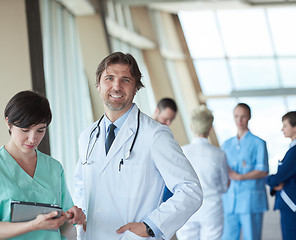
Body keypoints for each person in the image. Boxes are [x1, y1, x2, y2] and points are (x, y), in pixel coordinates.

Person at [73, 52, 202, 240]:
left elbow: (191, 189)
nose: (117, 86)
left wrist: (151, 226)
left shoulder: (156, 135)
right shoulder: (88, 136)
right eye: (109, 78)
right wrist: (82, 215)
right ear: (99, 85)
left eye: (125, 80)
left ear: (135, 88)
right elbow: (80, 184)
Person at [0, 90, 85, 240]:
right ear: (9, 123)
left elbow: (63, 224)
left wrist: (72, 216)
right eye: (25, 130)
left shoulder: (54, 168)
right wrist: (33, 225)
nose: (32, 139)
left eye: (40, 130)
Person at [176, 105, 229, 240]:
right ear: (210, 129)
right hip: (211, 210)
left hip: (186, 209)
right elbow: (224, 186)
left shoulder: (180, 151)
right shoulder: (219, 154)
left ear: (191, 126)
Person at [221, 103, 269, 240]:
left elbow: (263, 170)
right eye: (236, 116)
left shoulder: (258, 143)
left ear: (249, 117)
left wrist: (240, 177)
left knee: (251, 237)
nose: (239, 120)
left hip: (250, 200)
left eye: (243, 116)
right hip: (230, 200)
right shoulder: (227, 144)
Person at [266, 111, 296, 240]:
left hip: (293, 205)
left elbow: (279, 177)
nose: (282, 129)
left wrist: (266, 178)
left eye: (285, 125)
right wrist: (276, 184)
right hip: (293, 204)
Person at [152, 97, 178, 202]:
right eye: (165, 119)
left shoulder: (166, 138)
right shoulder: (141, 132)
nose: (168, 123)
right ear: (157, 111)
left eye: (171, 120)